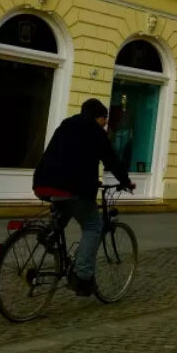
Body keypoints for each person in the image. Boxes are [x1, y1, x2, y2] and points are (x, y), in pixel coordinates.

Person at [32, 98, 135, 296]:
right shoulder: (96, 132)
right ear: (98, 116)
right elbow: (111, 160)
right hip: (70, 188)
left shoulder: (66, 125)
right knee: (93, 226)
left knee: (67, 208)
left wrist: (89, 180)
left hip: (43, 183)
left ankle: (48, 234)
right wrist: (126, 181)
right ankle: (83, 277)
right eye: (105, 118)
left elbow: (69, 158)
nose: (106, 123)